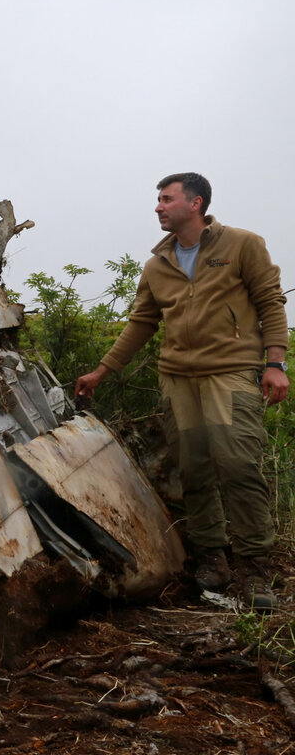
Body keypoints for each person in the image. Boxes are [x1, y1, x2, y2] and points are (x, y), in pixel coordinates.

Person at [75, 173, 288, 610]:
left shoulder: (243, 245)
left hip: (230, 372)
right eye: (157, 200)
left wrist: (275, 363)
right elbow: (141, 323)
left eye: (166, 199)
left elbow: (270, 302)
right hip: (177, 378)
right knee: (193, 470)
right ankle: (212, 559)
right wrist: (102, 370)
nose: (158, 207)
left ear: (196, 203)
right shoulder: (157, 264)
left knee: (239, 464)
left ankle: (254, 567)